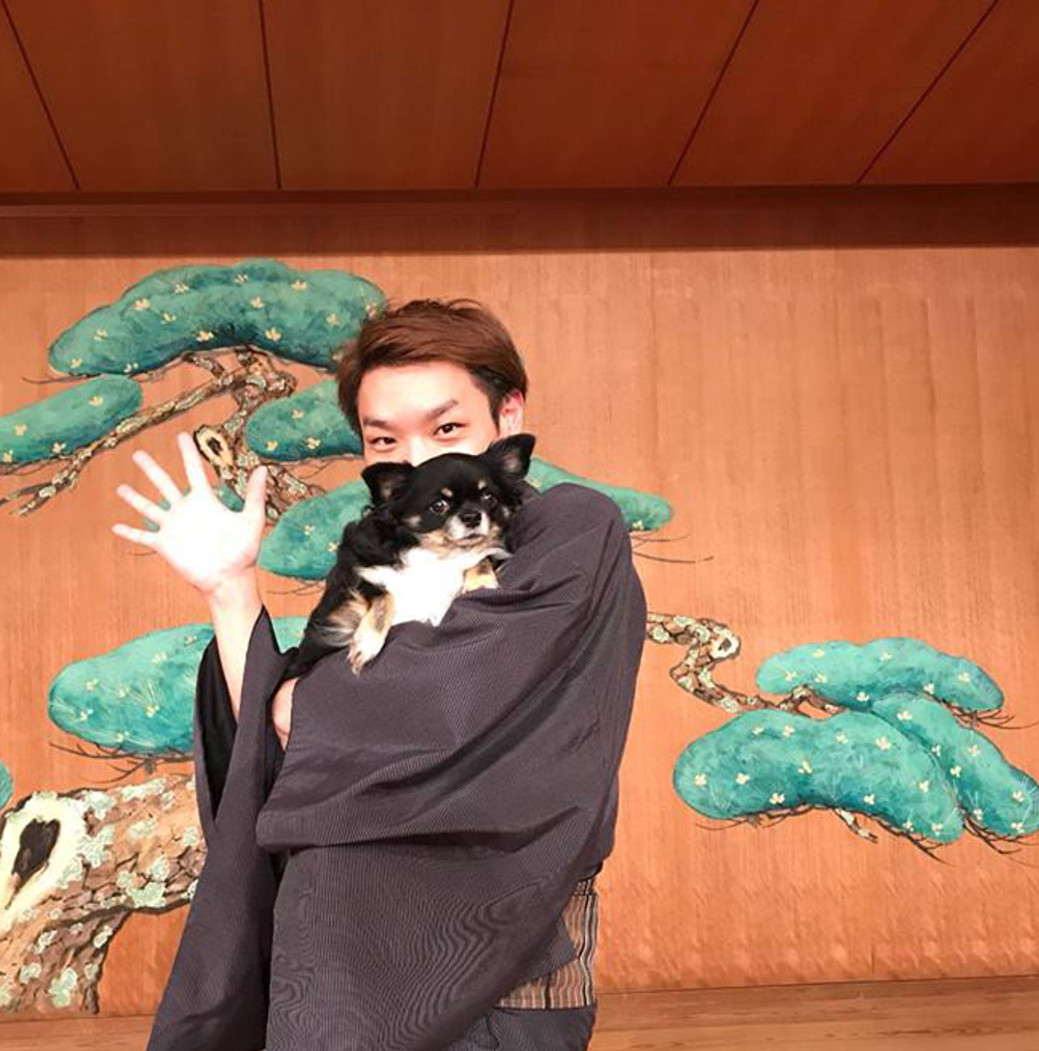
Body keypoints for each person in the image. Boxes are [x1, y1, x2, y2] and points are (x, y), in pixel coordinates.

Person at [113, 298, 647, 1050]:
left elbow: (433, 698)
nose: (419, 461)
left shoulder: (571, 530)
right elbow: (275, 743)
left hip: (506, 943)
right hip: (337, 955)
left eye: (446, 428)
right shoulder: (370, 553)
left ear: (509, 413)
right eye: (385, 439)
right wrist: (230, 591)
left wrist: (309, 704)